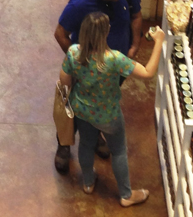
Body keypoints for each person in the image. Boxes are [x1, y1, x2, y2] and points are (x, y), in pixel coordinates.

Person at [59, 13, 164, 205]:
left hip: (82, 110)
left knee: (86, 145)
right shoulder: (115, 59)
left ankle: (88, 183)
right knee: (118, 151)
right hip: (108, 115)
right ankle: (126, 195)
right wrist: (159, 42)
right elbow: (148, 73)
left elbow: (64, 81)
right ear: (106, 32)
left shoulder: (74, 52)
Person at [53, 0, 142, 170]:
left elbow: (136, 16)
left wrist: (134, 46)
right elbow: (60, 34)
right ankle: (64, 144)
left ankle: (94, 135)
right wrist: (79, 62)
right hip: (85, 70)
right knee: (73, 104)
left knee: (102, 101)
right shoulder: (80, 4)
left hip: (114, 67)